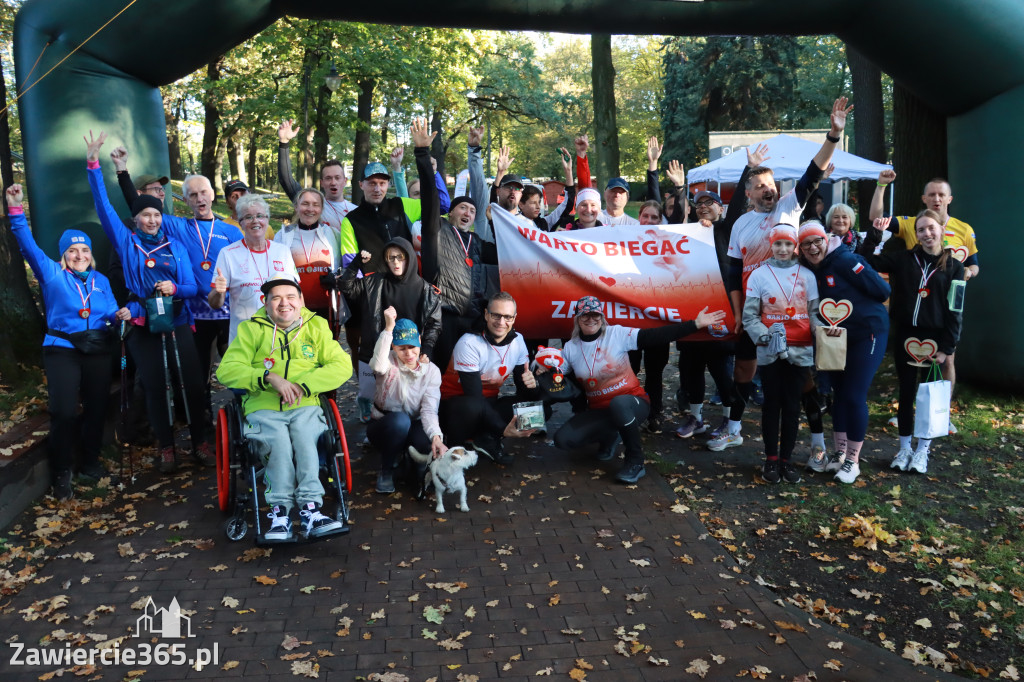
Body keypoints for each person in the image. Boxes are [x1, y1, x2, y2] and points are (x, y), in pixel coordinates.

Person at [721, 98, 852, 454]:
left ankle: (817, 441)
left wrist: (834, 135)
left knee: (803, 378)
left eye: (771, 184)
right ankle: (733, 428)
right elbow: (734, 274)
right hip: (753, 311)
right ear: (748, 193)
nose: (768, 189)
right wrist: (736, 313)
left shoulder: (788, 206)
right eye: (760, 185)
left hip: (791, 310)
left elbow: (813, 174)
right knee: (743, 372)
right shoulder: (740, 225)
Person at [86, 131, 213, 473]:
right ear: (136, 218)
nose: (152, 220)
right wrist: (95, 165)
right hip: (143, 321)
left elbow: (192, 287)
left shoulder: (176, 246)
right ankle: (167, 447)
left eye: (156, 215)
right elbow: (103, 205)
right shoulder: (127, 243)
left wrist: (175, 290)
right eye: (145, 215)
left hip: (179, 318)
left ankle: (200, 441)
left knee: (193, 381)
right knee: (156, 386)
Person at [7, 183, 130, 500]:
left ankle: (89, 463)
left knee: (96, 407)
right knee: (63, 411)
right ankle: (62, 471)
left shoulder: (101, 281)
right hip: (63, 349)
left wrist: (121, 316)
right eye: (73, 251)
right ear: (63, 255)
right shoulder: (51, 274)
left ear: (91, 255)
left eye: (85, 250)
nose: (80, 255)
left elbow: (111, 310)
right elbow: (27, 245)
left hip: (98, 349)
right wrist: (16, 210)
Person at [109, 147, 243, 417]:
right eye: (193, 195)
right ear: (186, 201)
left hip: (231, 313)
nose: (199, 198)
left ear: (212, 195)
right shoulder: (178, 226)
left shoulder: (230, 230)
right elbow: (139, 204)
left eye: (203, 193)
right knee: (198, 375)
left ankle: (245, 418)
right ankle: (201, 423)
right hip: (196, 314)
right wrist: (122, 170)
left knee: (240, 370)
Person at [216, 278, 352, 541]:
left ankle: (311, 509)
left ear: (301, 301)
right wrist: (267, 377)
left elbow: (342, 365)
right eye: (276, 298)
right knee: (278, 441)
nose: (284, 303)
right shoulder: (251, 330)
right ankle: (280, 514)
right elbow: (227, 370)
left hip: (306, 403)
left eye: (291, 296)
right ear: (265, 304)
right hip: (263, 405)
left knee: (304, 436)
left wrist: (304, 385)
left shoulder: (316, 326)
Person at [552, 296, 725, 483]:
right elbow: (557, 373)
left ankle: (635, 461)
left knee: (619, 404)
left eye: (596, 315)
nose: (591, 319)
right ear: (578, 318)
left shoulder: (616, 334)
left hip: (633, 403)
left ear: (602, 317)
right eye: (585, 315)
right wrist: (543, 366)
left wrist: (694, 324)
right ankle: (611, 434)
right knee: (563, 440)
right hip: (600, 410)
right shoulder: (571, 348)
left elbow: (655, 336)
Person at [859, 211, 964, 474]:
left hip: (934, 341)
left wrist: (947, 348)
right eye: (920, 230)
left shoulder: (956, 267)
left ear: (941, 229)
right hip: (906, 336)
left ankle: (922, 451)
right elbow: (866, 260)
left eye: (930, 228)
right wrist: (875, 233)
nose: (926, 234)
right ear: (915, 234)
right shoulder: (904, 259)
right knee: (905, 394)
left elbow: (956, 309)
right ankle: (905, 448)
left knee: (928, 397)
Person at [672, 148, 762, 441]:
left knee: (724, 374)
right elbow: (673, 221)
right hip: (692, 314)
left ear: (720, 210)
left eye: (710, 203)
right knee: (691, 371)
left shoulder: (727, 230)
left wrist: (749, 170)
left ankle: (728, 421)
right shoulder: (686, 235)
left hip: (723, 314)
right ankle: (695, 417)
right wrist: (676, 188)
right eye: (699, 204)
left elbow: (736, 204)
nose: (704, 207)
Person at [869, 170, 977, 392]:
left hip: (942, 310)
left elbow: (974, 263)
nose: (936, 199)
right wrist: (881, 186)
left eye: (941, 195)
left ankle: (940, 412)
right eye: (932, 194)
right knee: (909, 373)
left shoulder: (964, 228)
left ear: (949, 199)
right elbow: (876, 219)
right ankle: (908, 417)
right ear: (924, 198)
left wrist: (968, 273)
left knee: (946, 360)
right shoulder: (912, 223)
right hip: (912, 309)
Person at [798, 221, 890, 484]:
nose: (813, 247)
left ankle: (853, 460)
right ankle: (839, 453)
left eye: (817, 241)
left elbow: (883, 291)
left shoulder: (845, 260)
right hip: (836, 340)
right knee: (838, 395)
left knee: (854, 395)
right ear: (801, 249)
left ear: (826, 240)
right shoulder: (809, 270)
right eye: (806, 244)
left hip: (868, 333)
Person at [416, 120, 498, 374]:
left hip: (473, 319)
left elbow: (509, 254)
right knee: (439, 374)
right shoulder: (437, 230)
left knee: (469, 375)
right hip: (443, 317)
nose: (468, 212)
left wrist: (495, 223)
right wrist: (422, 154)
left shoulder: (478, 243)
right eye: (462, 207)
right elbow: (429, 200)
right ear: (450, 213)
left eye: (472, 211)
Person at [742, 224, 820, 484]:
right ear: (771, 245)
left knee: (792, 405)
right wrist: (765, 337)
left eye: (788, 244)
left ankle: (787, 460)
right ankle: (771, 459)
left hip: (800, 349)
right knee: (771, 404)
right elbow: (750, 316)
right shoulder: (758, 275)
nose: (783, 249)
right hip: (769, 350)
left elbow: (813, 313)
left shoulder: (807, 276)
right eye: (778, 244)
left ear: (795, 246)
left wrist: (824, 336)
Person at [339, 237, 442, 422]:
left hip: (408, 355)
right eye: (390, 258)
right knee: (371, 403)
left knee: (402, 402)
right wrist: (356, 264)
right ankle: (372, 431)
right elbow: (346, 287)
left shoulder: (426, 290)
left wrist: (426, 350)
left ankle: (401, 432)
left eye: (400, 257)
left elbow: (434, 323)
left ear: (409, 257)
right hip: (374, 352)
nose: (395, 262)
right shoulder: (373, 283)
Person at [437, 291, 540, 465]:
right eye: (496, 315)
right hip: (455, 408)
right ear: (486, 314)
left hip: (487, 405)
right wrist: (502, 429)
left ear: (514, 318)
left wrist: (533, 385)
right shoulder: (469, 343)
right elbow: (475, 397)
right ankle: (455, 446)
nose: (501, 322)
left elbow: (524, 392)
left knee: (535, 411)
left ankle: (485, 439)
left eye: (507, 317)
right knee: (473, 406)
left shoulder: (519, 341)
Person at [367, 308, 445, 494]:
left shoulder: (431, 370)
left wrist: (436, 436)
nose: (409, 354)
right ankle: (386, 469)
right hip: (384, 425)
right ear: (393, 346)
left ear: (419, 341)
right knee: (399, 421)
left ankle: (416, 467)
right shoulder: (388, 363)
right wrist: (388, 328)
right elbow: (377, 364)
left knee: (427, 440)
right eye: (402, 348)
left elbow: (429, 409)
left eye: (412, 347)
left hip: (414, 422)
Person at [209, 195, 299, 341]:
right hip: (245, 339)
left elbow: (297, 295)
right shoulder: (228, 254)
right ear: (240, 222)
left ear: (267, 219)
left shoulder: (282, 251)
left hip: (280, 337)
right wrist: (219, 292)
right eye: (248, 217)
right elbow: (214, 304)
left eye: (260, 216)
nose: (255, 221)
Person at [272, 188, 342, 321]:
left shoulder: (333, 234)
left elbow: (344, 268)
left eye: (316, 205)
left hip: (326, 307)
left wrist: (337, 279)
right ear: (296, 207)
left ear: (321, 209)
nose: (310, 209)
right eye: (305, 204)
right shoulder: (282, 235)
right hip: (292, 308)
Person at [277, 119, 357, 229]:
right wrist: (284, 143)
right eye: (328, 178)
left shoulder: (357, 211)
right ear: (321, 183)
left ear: (345, 181)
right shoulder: (313, 205)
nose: (333, 182)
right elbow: (286, 180)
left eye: (337, 178)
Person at [573, 133, 640, 226]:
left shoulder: (635, 225)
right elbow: (586, 190)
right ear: (604, 194)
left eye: (621, 192)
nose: (617, 194)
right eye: (613, 191)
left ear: (627, 198)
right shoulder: (593, 217)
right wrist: (581, 154)